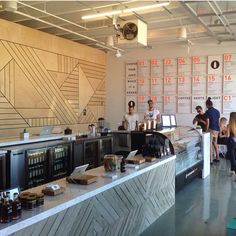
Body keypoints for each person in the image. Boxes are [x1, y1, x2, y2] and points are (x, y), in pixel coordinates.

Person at [205, 97, 220, 164]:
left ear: (207, 105)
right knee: (215, 143)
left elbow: (208, 122)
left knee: (210, 144)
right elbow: (218, 121)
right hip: (217, 129)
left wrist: (206, 130)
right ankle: (217, 158)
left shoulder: (207, 112)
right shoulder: (217, 111)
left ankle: (210, 160)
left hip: (211, 129)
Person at [227, 112, 236, 178]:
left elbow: (227, 135)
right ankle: (232, 171)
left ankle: (234, 171)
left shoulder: (229, 125)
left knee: (232, 158)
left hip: (231, 143)